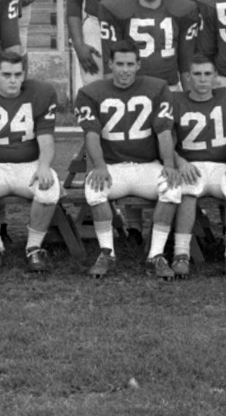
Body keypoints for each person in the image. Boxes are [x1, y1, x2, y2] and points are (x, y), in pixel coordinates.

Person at [73, 42, 175, 278]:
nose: (125, 70)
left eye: (130, 64)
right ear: (110, 64)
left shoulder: (157, 88)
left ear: (138, 65)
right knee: (94, 188)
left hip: (147, 165)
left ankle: (156, 255)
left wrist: (169, 165)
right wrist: (98, 166)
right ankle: (107, 252)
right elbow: (91, 134)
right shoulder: (90, 92)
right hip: (112, 167)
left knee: (172, 186)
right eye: (120, 64)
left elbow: (163, 131)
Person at [0, 52, 61, 273]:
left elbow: (46, 138)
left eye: (18, 74)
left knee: (50, 187)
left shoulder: (41, 93)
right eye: (7, 75)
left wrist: (44, 166)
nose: (13, 80)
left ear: (24, 74)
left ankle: (34, 247)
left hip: (30, 164)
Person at [167, 57, 226, 278]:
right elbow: (168, 144)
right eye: (197, 74)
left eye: (207, 74)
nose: (202, 80)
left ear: (215, 77)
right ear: (187, 77)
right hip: (191, 165)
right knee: (187, 191)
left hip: (222, 165)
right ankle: (181, 254)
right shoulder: (175, 101)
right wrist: (181, 162)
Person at [98, 0, 200, 88]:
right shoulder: (118, 11)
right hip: (132, 88)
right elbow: (111, 62)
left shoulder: (182, 11)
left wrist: (188, 99)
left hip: (169, 87)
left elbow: (186, 62)